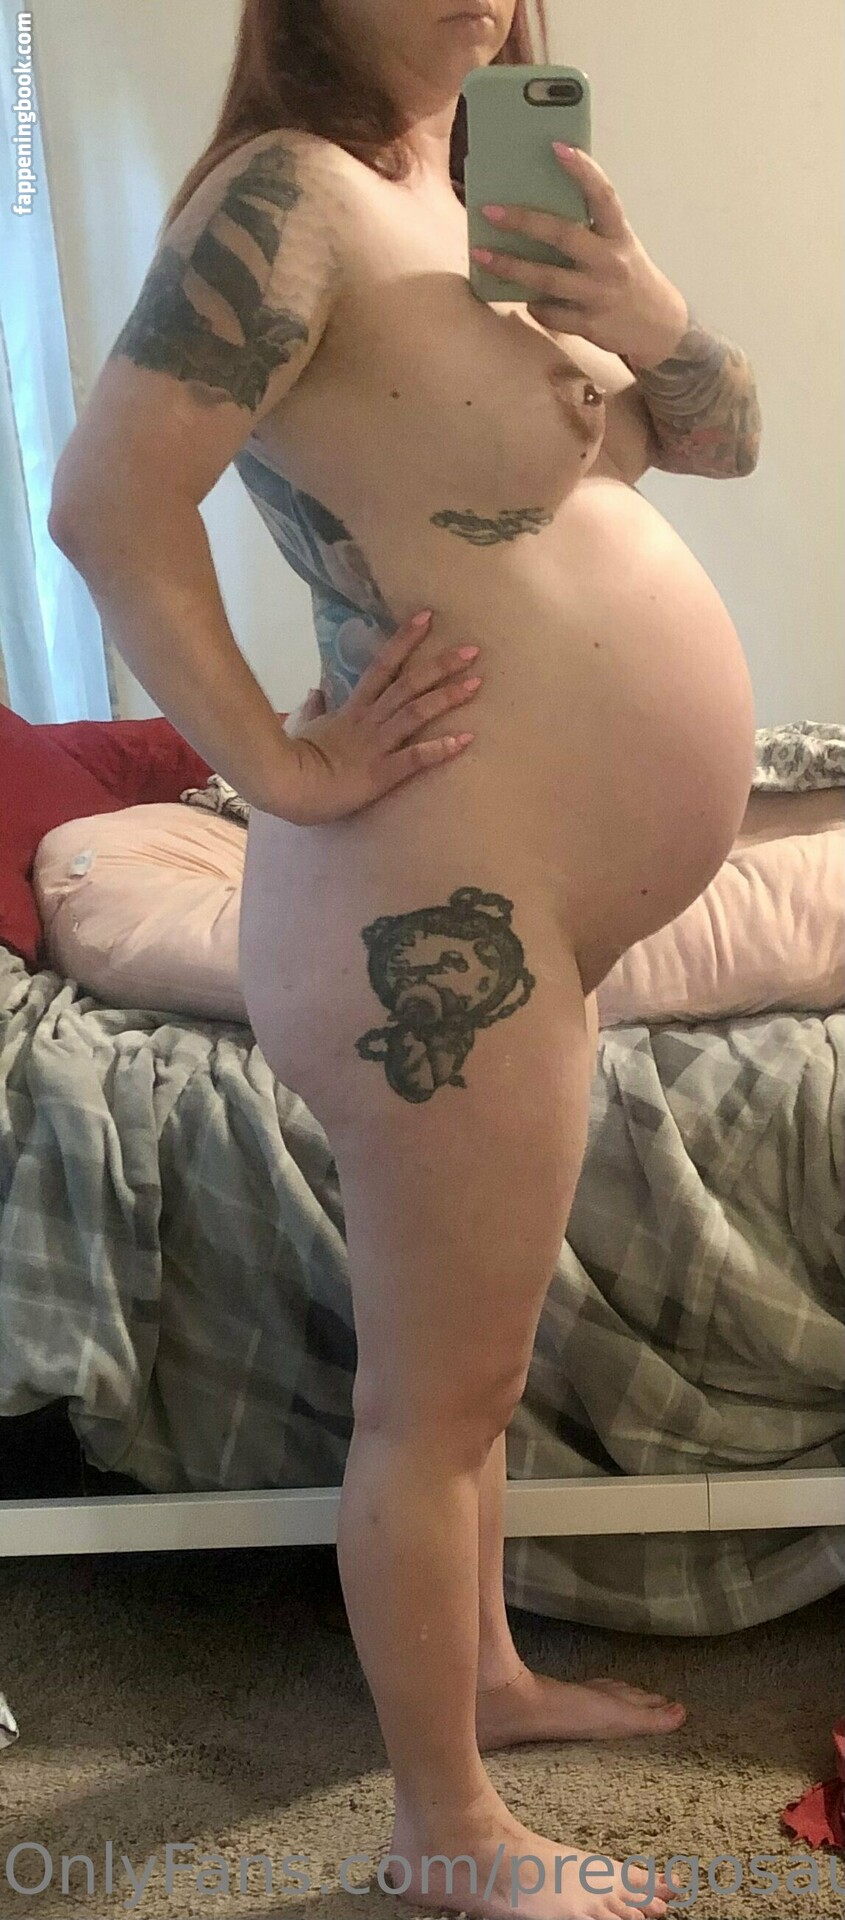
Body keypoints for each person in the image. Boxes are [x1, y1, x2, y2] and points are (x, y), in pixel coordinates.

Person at [48, 2, 760, 1913]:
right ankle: (443, 1831)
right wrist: (275, 768)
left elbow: (721, 443)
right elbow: (104, 503)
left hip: (526, 900)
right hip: (427, 907)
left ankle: (489, 1681)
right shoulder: (286, 197)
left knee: (477, 1364)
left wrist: (646, 310)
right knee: (428, 1407)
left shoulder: (482, 197)